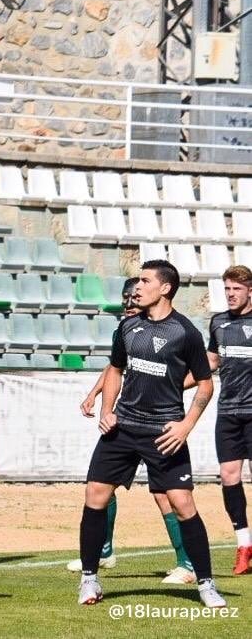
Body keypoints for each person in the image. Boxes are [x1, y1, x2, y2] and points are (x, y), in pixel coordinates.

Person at [77, 260, 224, 608]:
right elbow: (115, 370)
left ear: (165, 288)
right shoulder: (127, 327)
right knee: (95, 494)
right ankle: (89, 580)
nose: (137, 287)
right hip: (124, 428)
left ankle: (205, 584)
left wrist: (186, 424)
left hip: (164, 432)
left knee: (183, 503)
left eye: (145, 281)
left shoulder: (186, 332)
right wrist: (107, 409)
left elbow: (205, 385)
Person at [70, 277, 194, 584]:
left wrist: (166, 386)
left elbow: (196, 371)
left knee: (166, 495)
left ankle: (188, 564)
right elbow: (117, 367)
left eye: (133, 296)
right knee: (101, 484)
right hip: (127, 421)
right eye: (127, 298)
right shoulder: (128, 328)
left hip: (158, 422)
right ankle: (103, 550)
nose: (130, 302)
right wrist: (96, 395)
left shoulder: (175, 330)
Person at [190, 265, 252, 575]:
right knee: (229, 477)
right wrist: (176, 383)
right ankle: (244, 545)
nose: (230, 294)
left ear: (249, 290)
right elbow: (211, 361)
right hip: (228, 411)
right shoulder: (219, 322)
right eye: (227, 289)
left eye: (236, 289)